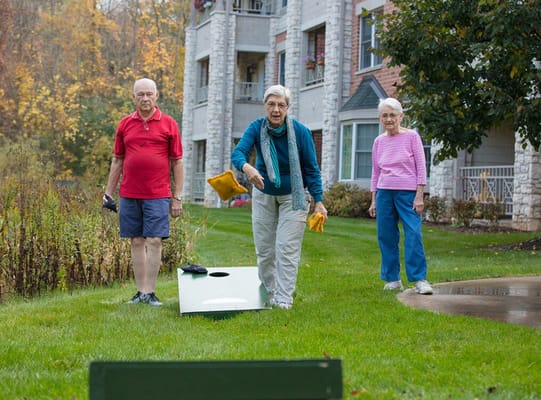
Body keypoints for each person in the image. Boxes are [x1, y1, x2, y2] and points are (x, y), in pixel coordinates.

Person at [231, 85, 327, 309]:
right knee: (265, 250)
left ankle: (284, 299)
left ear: (287, 108)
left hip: (294, 196)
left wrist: (319, 200)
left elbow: (311, 169)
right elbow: (238, 153)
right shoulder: (256, 128)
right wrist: (247, 168)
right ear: (265, 106)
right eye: (271, 104)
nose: (276, 110)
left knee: (286, 248)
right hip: (264, 193)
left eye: (281, 105)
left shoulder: (300, 132)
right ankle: (269, 293)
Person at [103, 78, 184, 306]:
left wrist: (177, 197)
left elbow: (177, 162)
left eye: (149, 94)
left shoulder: (169, 124)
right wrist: (108, 193)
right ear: (134, 97)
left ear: (156, 96)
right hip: (129, 193)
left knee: (155, 240)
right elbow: (117, 160)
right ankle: (140, 292)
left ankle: (150, 292)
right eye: (141, 94)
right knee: (136, 241)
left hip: (158, 193)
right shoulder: (125, 124)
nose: (145, 98)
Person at [368, 97, 433, 295]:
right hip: (384, 193)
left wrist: (419, 195)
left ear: (401, 116)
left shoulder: (412, 137)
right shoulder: (378, 141)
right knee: (386, 236)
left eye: (392, 115)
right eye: (384, 116)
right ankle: (393, 279)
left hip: (408, 193)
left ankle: (419, 279)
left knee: (413, 233)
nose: (389, 119)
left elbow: (421, 168)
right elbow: (375, 172)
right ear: (380, 118)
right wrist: (373, 200)